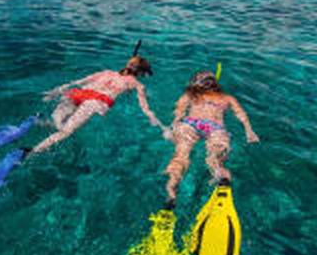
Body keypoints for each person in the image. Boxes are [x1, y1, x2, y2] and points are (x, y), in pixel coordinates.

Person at [31, 54, 167, 154]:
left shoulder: (106, 72)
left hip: (78, 93)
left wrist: (54, 92)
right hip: (96, 101)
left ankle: (38, 122)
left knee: (57, 123)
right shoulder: (136, 84)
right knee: (66, 132)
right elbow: (145, 109)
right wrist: (160, 125)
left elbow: (79, 82)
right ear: (141, 73)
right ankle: (32, 152)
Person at [164, 70, 259, 208]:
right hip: (215, 127)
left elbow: (179, 111)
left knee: (180, 157)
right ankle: (222, 182)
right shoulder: (228, 98)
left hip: (190, 123)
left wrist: (172, 127)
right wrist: (249, 131)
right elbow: (241, 114)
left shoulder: (190, 95)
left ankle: (171, 194)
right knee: (215, 160)